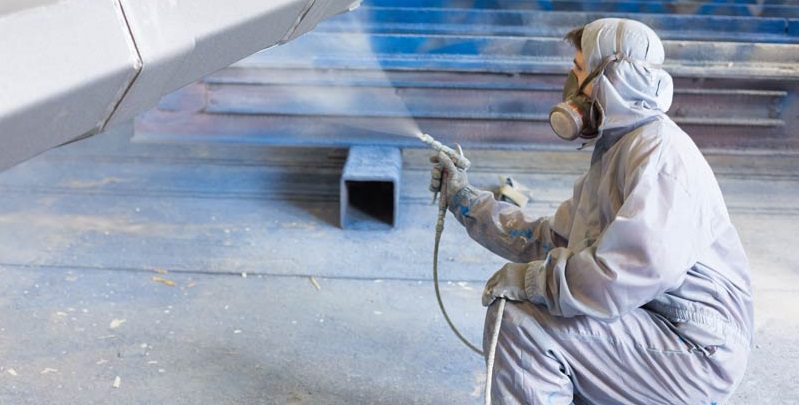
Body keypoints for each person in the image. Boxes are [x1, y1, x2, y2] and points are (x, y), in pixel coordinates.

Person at [429, 18, 753, 404]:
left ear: (612, 77)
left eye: (580, 69)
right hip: (658, 324)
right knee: (554, 316)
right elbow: (552, 239)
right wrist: (467, 202)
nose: (572, 82)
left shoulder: (659, 159)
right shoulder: (622, 147)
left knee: (522, 322)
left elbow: (618, 277)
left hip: (695, 348)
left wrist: (531, 282)